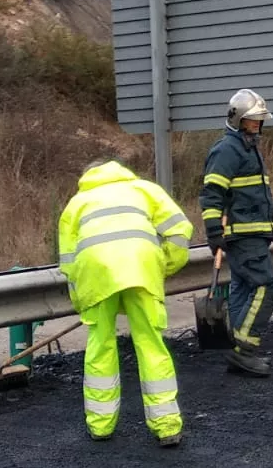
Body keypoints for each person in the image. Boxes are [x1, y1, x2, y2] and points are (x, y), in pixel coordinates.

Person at [58, 159, 194, 446]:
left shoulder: (77, 203)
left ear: (87, 177)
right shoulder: (144, 189)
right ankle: (167, 425)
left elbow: (69, 263)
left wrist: (81, 301)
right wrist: (164, 265)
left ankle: (100, 425)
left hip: (95, 274)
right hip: (142, 266)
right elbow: (180, 229)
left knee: (100, 345)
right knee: (150, 344)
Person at [200, 89, 273, 378]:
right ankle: (244, 351)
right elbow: (212, 195)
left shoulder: (248, 148)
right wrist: (213, 232)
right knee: (266, 286)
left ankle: (236, 344)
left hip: (253, 234)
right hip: (242, 237)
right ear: (237, 120)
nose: (256, 125)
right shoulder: (227, 150)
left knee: (244, 289)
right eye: (251, 121)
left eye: (259, 121)